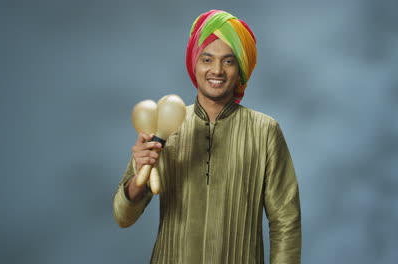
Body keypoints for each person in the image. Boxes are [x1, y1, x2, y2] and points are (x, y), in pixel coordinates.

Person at [113, 10, 301, 264]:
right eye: (207, 59)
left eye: (228, 61)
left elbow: (285, 221)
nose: (217, 70)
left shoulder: (265, 131)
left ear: (240, 69)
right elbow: (124, 217)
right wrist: (140, 176)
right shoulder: (164, 127)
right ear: (195, 64)